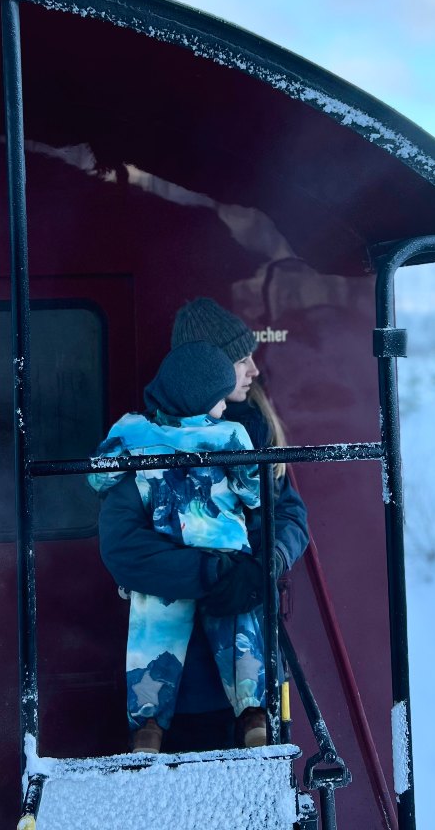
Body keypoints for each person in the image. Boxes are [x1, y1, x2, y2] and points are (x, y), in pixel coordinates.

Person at [97, 298, 310, 751]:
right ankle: (152, 726)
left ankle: (249, 715)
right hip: (183, 674)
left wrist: (266, 562)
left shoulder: (256, 435)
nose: (253, 370)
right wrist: (212, 572)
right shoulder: (150, 449)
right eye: (240, 359)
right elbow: (123, 546)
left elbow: (290, 515)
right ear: (203, 368)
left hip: (249, 645)